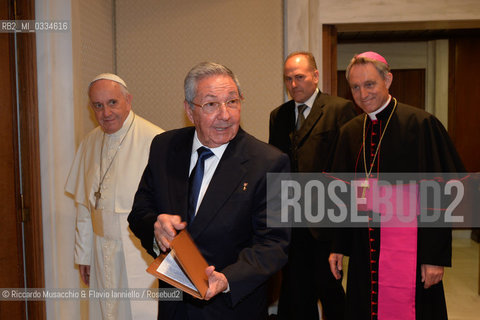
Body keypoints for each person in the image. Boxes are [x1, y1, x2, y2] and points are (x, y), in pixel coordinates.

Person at [128, 62, 290, 320]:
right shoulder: (164, 147)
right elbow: (140, 212)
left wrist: (227, 279)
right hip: (174, 307)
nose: (225, 114)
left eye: (233, 101)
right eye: (211, 104)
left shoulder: (267, 162)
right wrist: (155, 229)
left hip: (231, 308)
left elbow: (274, 244)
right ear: (189, 111)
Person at [328, 52, 466, 319]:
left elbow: (440, 195)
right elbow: (343, 197)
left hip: (412, 253)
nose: (362, 93)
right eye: (355, 87)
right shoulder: (349, 132)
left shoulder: (421, 124)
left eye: (369, 84)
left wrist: (434, 256)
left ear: (388, 80)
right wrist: (338, 246)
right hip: (364, 248)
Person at [65, 73, 164, 319]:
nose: (106, 113)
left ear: (128, 101)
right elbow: (85, 208)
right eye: (98, 105)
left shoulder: (155, 140)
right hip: (100, 251)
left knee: (140, 311)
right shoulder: (89, 143)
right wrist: (83, 255)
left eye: (112, 103)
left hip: (138, 251)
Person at [269, 51, 356, 320]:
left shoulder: (340, 109)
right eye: (288, 79)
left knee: (330, 289)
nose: (293, 84)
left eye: (299, 77)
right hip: (291, 223)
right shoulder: (278, 116)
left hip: (326, 222)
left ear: (315, 76)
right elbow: (276, 167)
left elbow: (348, 170)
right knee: (296, 292)